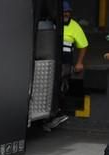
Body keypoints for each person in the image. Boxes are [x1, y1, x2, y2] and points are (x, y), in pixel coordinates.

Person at [45, 1, 88, 130]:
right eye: (64, 11)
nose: (66, 14)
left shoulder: (74, 26)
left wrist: (79, 62)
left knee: (59, 86)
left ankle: (57, 114)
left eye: (68, 11)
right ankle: (50, 117)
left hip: (65, 63)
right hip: (50, 60)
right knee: (49, 87)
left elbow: (84, 45)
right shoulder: (52, 24)